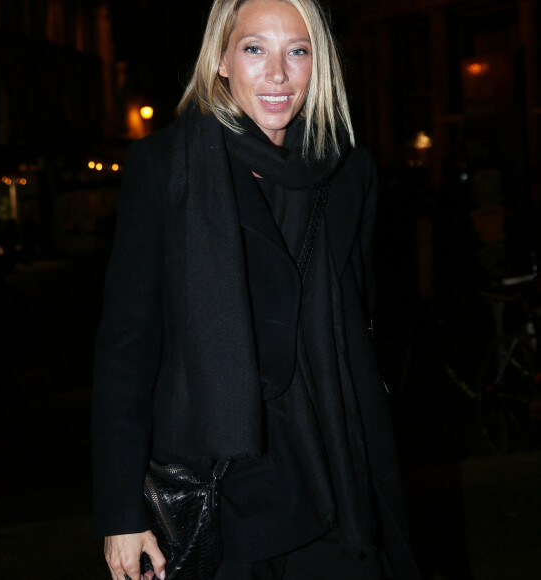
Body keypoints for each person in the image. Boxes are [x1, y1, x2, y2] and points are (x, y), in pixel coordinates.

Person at [92, 0, 421, 579]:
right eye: (254, 49)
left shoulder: (348, 172)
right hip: (218, 485)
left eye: (298, 50)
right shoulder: (164, 166)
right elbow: (128, 345)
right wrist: (121, 512)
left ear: (318, 63)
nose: (278, 73)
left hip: (333, 475)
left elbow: (362, 318)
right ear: (220, 59)